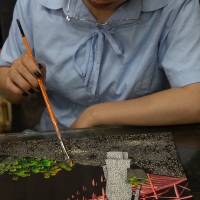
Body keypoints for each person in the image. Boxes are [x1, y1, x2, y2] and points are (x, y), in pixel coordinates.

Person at [0, 0, 200, 132]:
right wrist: (15, 81)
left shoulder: (177, 5)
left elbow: (194, 98)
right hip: (56, 134)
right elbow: (5, 75)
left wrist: (95, 115)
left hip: (141, 135)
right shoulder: (35, 3)